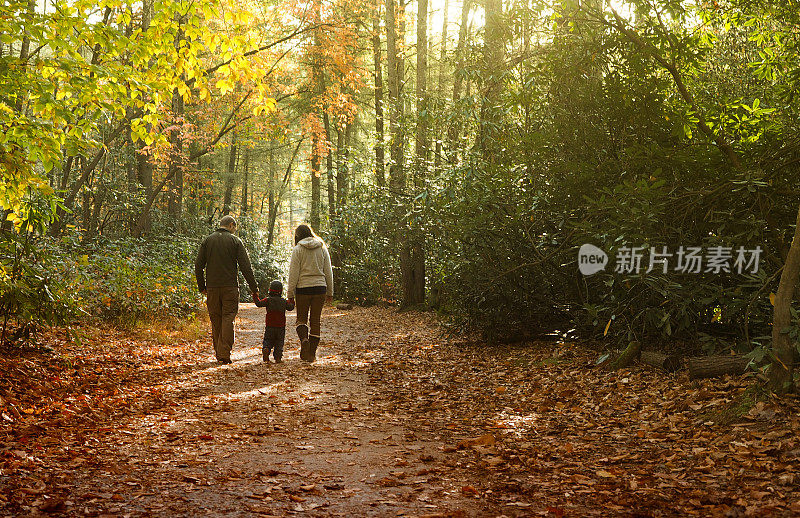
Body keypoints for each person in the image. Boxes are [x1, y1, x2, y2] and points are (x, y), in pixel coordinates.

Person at [195, 215, 258, 364]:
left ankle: (220, 352)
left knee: (215, 319)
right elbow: (246, 267)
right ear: (231, 225)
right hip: (230, 286)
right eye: (234, 228)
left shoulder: (207, 240)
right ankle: (224, 352)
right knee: (228, 317)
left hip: (211, 287)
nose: (235, 231)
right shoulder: (235, 241)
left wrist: (202, 287)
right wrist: (254, 288)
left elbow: (198, 265)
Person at [287, 224, 333, 362]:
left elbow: (293, 273)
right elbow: (328, 271)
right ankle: (312, 354)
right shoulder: (321, 247)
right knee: (315, 321)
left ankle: (304, 340)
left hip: (303, 289)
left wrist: (290, 293)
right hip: (320, 288)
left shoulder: (298, 249)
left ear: (298, 236)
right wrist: (330, 291)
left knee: (301, 319)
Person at [253, 280, 295, 364]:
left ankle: (266, 349)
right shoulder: (284, 301)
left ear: (270, 290)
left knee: (268, 339)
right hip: (280, 326)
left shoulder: (268, 300)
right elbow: (290, 307)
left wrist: (255, 295)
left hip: (270, 326)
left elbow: (258, 303)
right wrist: (292, 299)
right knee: (279, 342)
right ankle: (278, 357)